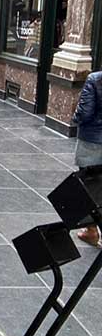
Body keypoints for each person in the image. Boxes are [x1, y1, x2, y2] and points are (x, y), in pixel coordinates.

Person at [72, 71, 102, 249]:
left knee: (89, 186)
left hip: (94, 140)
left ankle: (91, 230)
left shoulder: (96, 79)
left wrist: (75, 119)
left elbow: (85, 112)